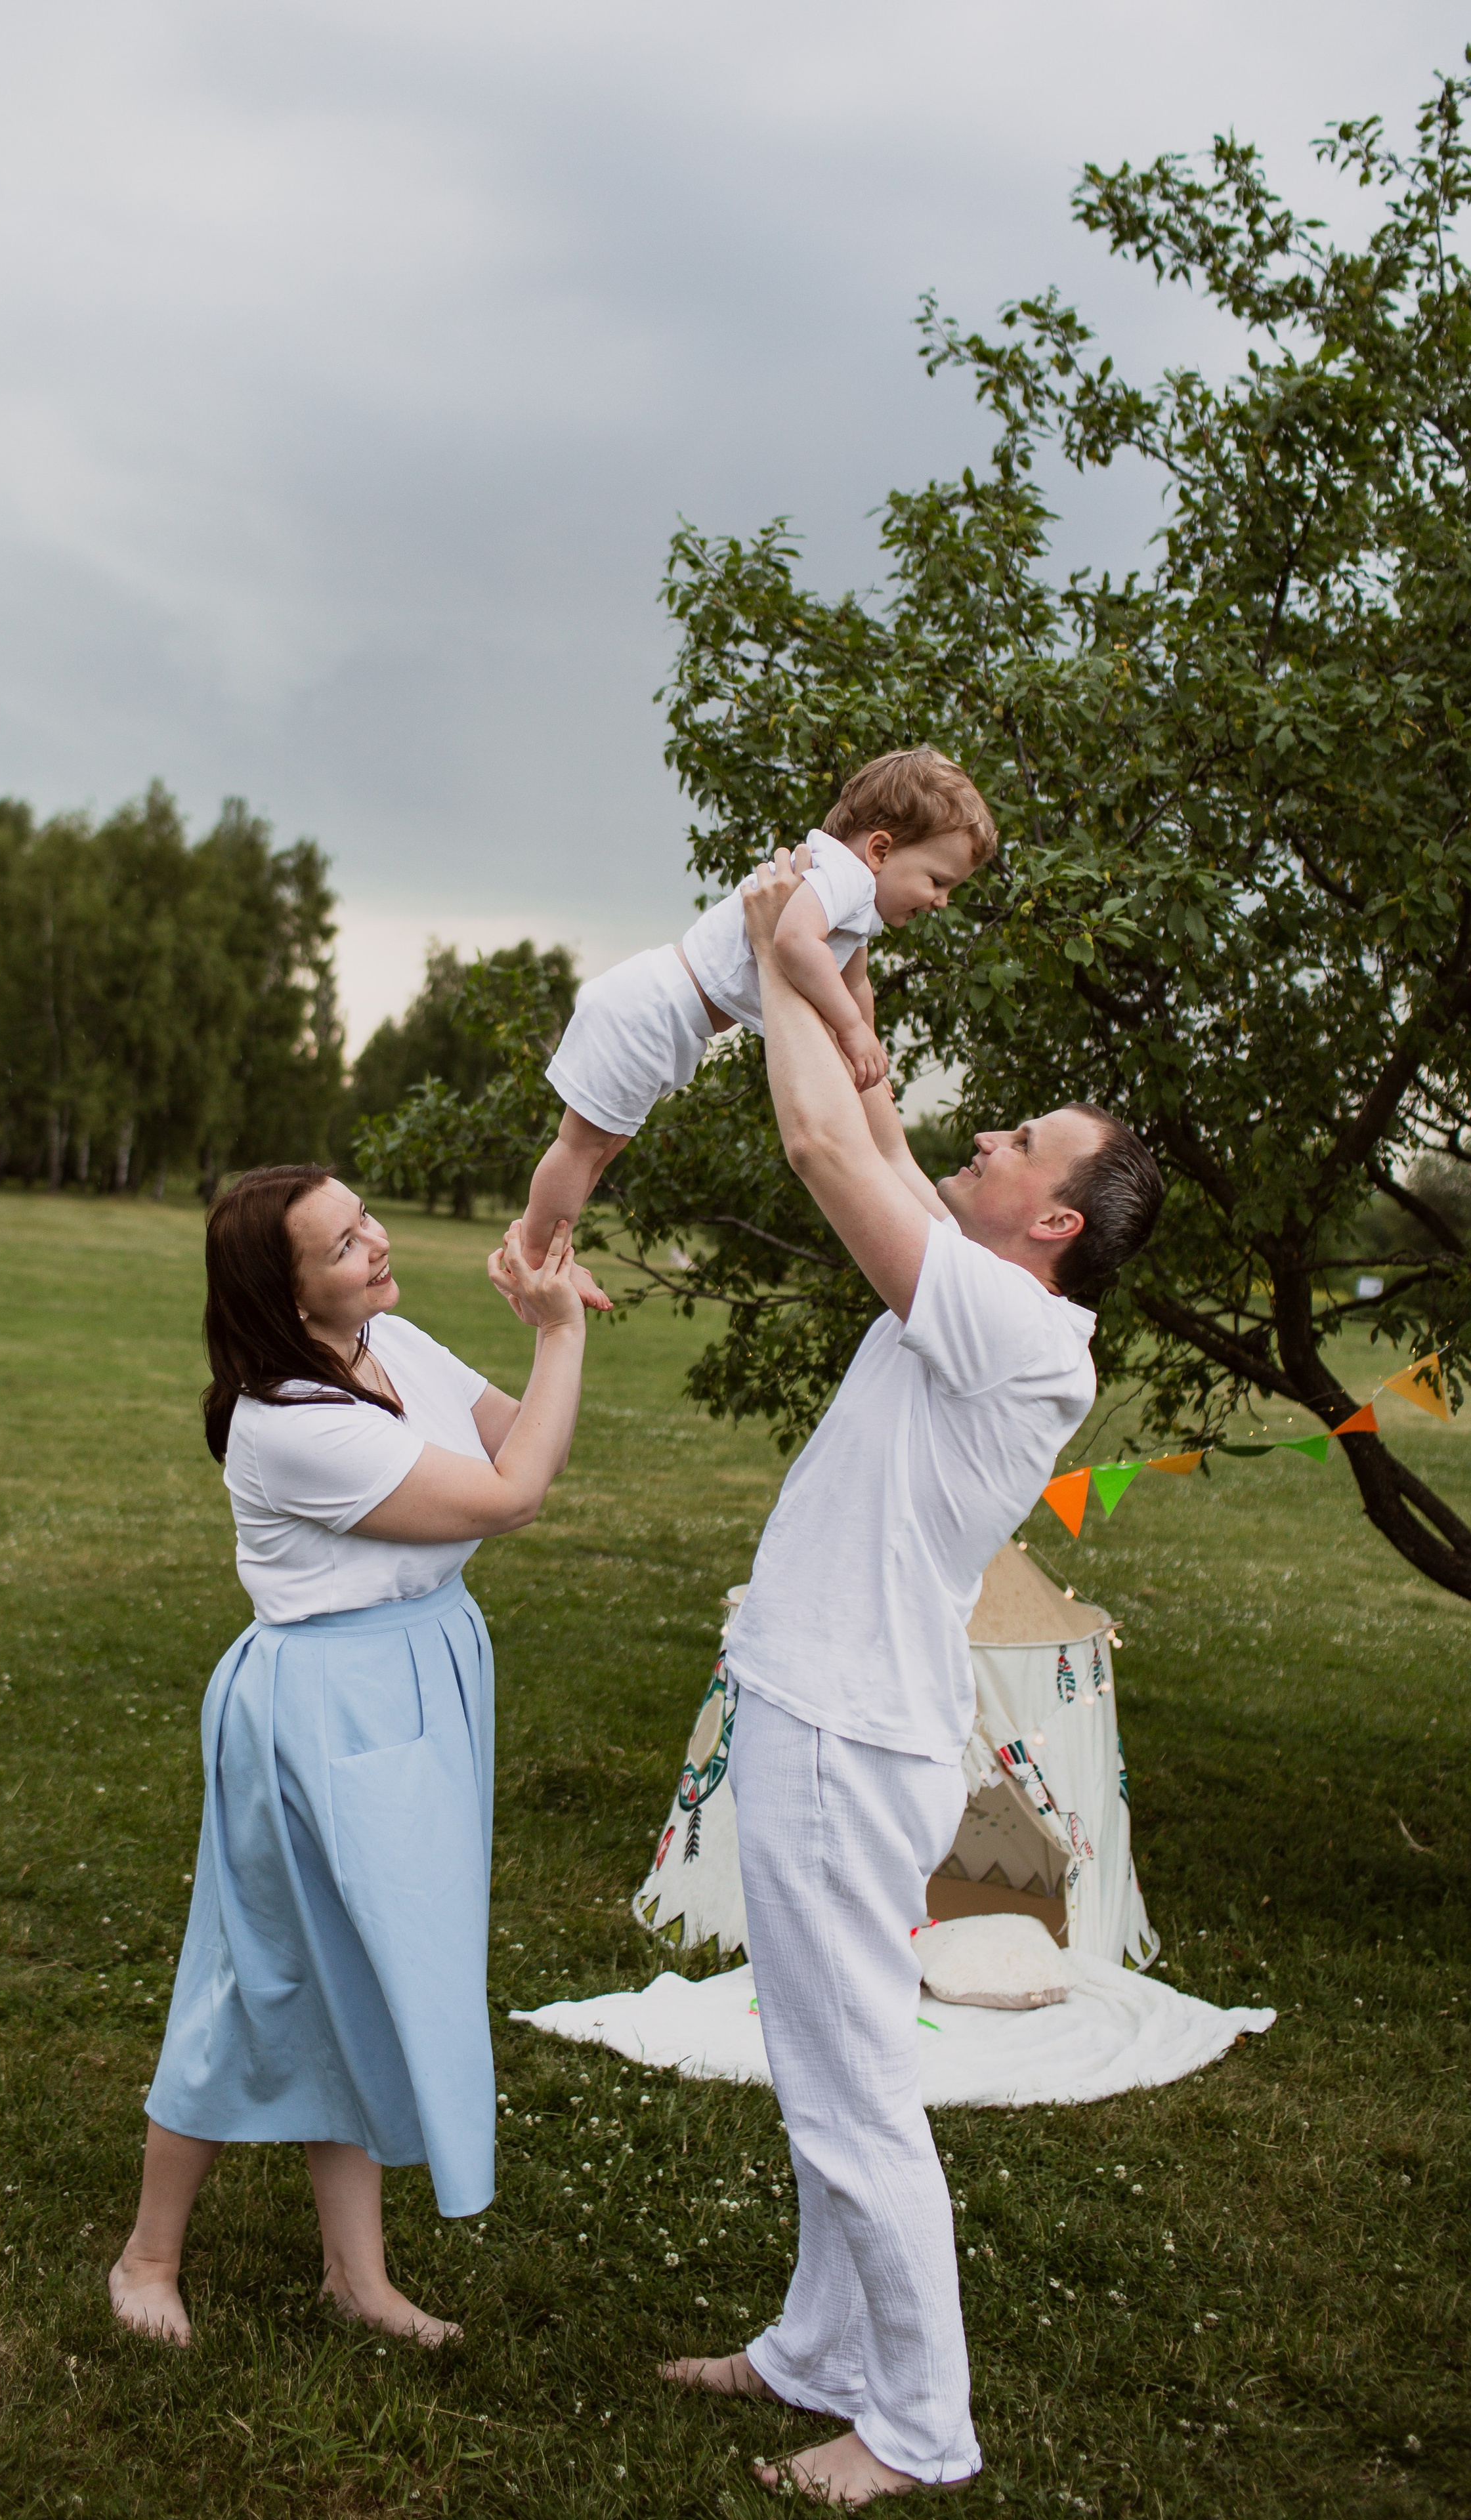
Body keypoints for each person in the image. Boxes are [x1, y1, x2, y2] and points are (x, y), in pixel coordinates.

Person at [664, 849, 1164, 2502]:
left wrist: (765, 950)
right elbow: (872, 1124)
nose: (983, 1138)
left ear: (1054, 1222)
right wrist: (835, 975)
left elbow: (824, 1148)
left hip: (839, 1728)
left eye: (1016, 1141)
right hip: (828, 1706)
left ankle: (918, 2427)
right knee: (822, 2066)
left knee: (852, 2089)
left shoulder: (1016, 1331)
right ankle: (818, 2350)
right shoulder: (978, 1285)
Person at [108, 1166, 586, 2349]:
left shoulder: (390, 1342)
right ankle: (147, 2257)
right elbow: (512, 1498)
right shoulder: (291, 1424)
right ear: (287, 1296)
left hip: (422, 1679)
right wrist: (560, 1331)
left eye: (364, 1218)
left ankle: (356, 2278)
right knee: (260, 1975)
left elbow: (516, 1442)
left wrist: (545, 1333)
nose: (375, 1243)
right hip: (325, 1708)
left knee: (370, 1970)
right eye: (341, 1245)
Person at [522, 748, 996, 1309]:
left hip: (666, 1019)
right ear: (880, 849)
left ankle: (552, 1249)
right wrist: (851, 1031)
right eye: (938, 881)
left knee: (603, 1147)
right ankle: (536, 1256)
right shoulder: (844, 877)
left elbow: (855, 983)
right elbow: (792, 942)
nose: (942, 901)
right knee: (582, 1147)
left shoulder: (855, 898)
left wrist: (865, 1050)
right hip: (649, 1013)